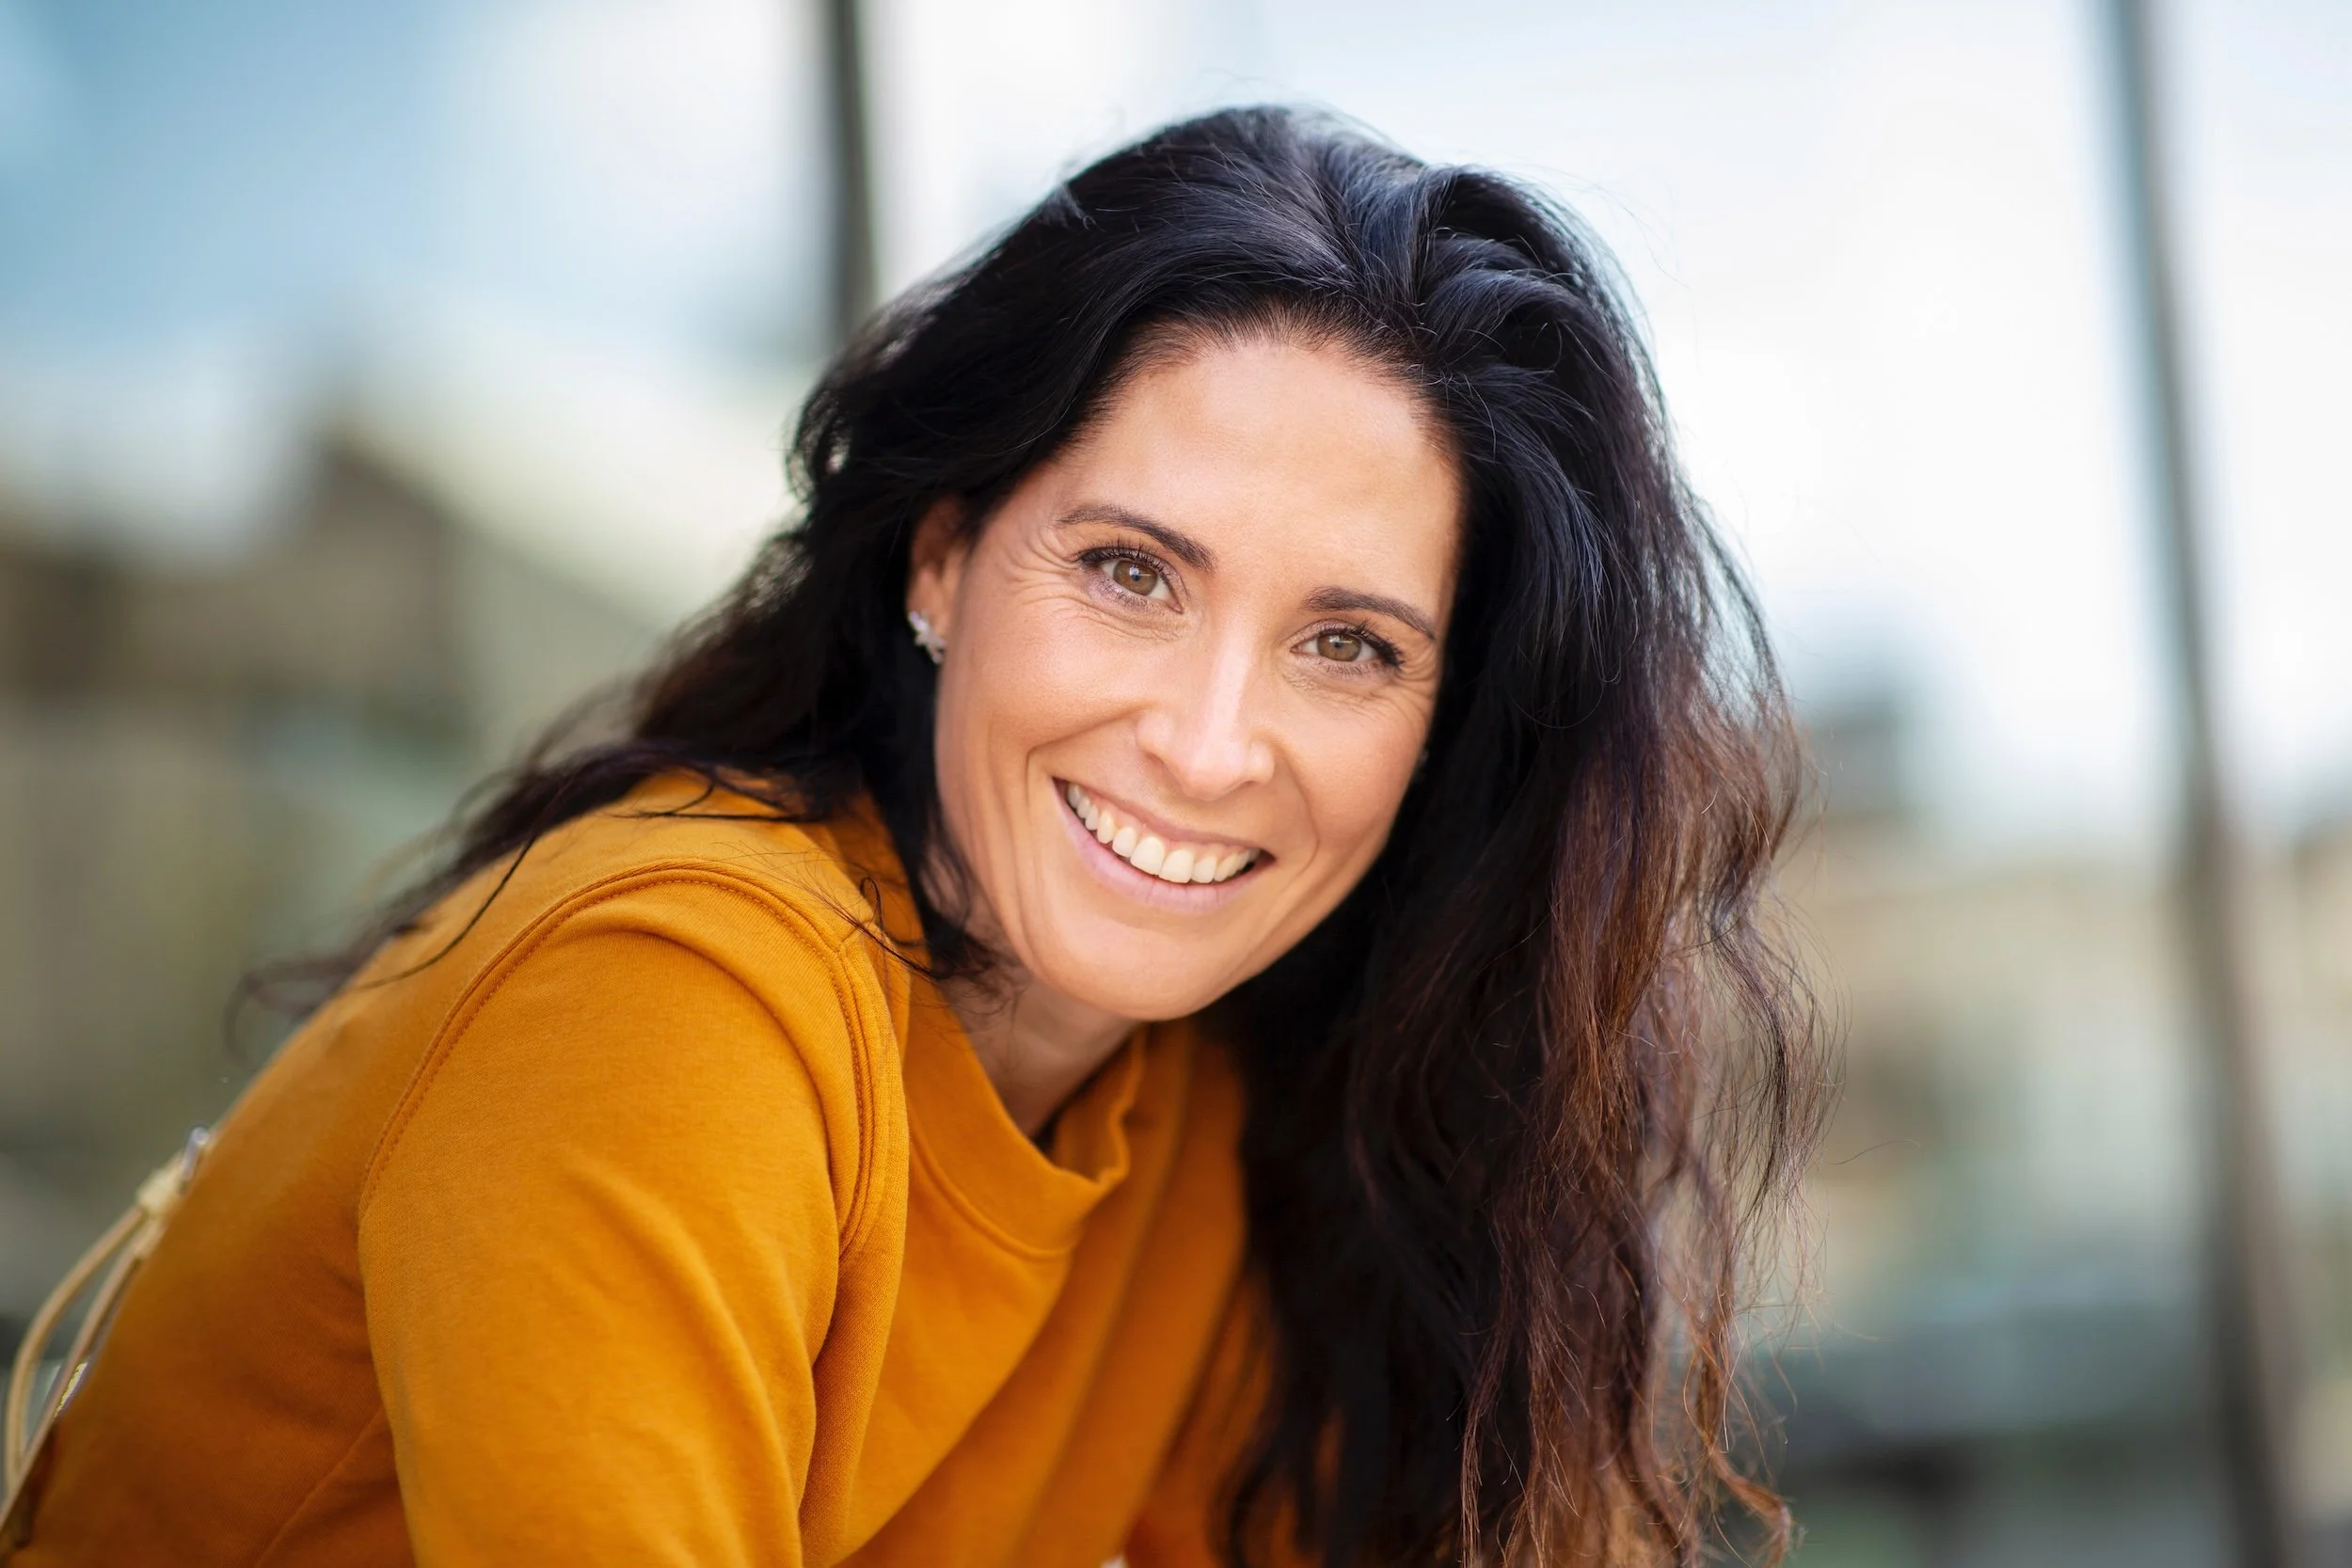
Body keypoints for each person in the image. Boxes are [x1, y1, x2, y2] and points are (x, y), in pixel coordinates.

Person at [7, 107, 1823, 1567]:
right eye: (1131, 573)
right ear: (941, 557)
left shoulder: (1205, 1116)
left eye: (1347, 645)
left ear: (1444, 732)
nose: (1207, 746)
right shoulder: (670, 1000)